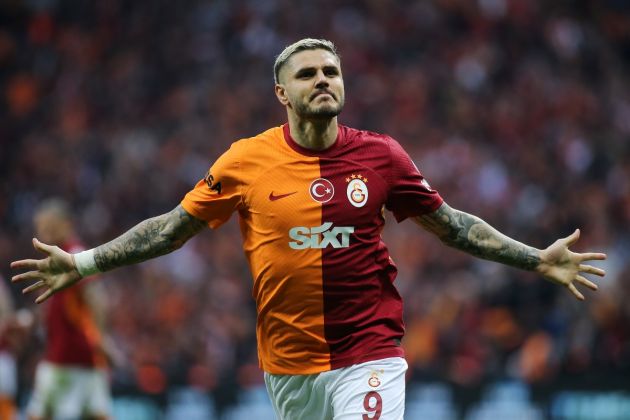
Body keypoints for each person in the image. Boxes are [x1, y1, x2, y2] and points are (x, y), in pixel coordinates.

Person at [11, 39, 606, 419]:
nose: (323, 80)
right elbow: (170, 230)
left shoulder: (382, 158)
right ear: (282, 93)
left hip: (368, 353)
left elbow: (452, 227)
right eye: (307, 74)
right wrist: (82, 263)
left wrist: (536, 258)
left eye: (331, 72)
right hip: (288, 367)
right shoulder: (245, 161)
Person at [21, 199, 112, 420]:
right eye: (40, 226)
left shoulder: (75, 255)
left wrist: (100, 339)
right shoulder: (55, 257)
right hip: (67, 353)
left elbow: (96, 298)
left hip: (71, 355)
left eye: (47, 225)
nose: (42, 232)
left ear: (65, 224)